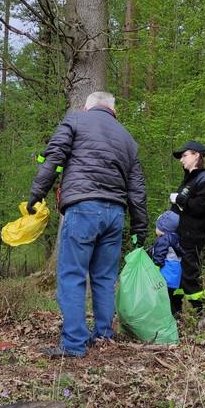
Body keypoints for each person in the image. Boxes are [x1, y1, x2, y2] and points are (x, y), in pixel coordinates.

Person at [27, 91, 148, 357]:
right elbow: (137, 189)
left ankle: (73, 344)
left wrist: (37, 193)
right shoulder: (127, 139)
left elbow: (54, 157)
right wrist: (140, 227)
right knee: (105, 278)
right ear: (114, 111)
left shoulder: (75, 120)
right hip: (115, 214)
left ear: (87, 107)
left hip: (83, 208)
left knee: (72, 275)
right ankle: (103, 336)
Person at [169, 140, 205, 315]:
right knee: (176, 276)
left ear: (197, 155)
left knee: (189, 276)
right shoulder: (190, 180)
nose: (181, 159)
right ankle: (175, 315)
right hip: (179, 236)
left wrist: (180, 200)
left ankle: (202, 315)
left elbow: (203, 207)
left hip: (192, 237)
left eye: (184, 155)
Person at [150, 210, 185, 317]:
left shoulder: (163, 239)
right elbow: (180, 252)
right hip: (175, 274)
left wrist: (155, 270)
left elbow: (159, 256)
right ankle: (176, 312)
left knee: (163, 297)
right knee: (170, 296)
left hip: (166, 274)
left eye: (157, 226)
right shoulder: (174, 238)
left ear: (162, 228)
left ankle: (167, 316)